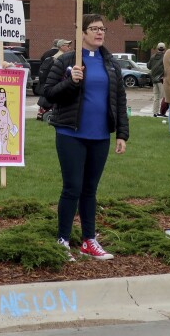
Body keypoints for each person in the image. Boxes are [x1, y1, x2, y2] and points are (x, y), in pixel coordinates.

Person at [43, 14, 128, 262]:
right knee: (73, 188)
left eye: (102, 29)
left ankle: (89, 240)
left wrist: (122, 133)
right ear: (82, 33)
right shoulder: (67, 61)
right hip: (71, 134)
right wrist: (70, 81)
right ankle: (62, 240)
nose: (99, 33)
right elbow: (47, 94)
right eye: (94, 28)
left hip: (99, 136)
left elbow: (119, 100)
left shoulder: (110, 63)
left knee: (90, 190)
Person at [36, 39, 72, 120]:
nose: (70, 48)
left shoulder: (51, 57)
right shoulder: (61, 58)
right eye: (68, 46)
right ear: (62, 47)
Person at [0, 87, 19, 154]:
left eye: (3, 97)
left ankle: (5, 150)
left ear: (5, 98)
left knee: (5, 140)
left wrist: (11, 127)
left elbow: (9, 119)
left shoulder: (6, 110)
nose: (1, 99)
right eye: (0, 97)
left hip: (5, 130)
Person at [148, 42, 167, 117]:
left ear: (157, 48)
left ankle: (155, 113)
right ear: (164, 49)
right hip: (162, 79)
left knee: (156, 97)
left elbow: (149, 66)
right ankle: (162, 112)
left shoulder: (153, 57)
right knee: (164, 97)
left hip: (154, 79)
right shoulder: (165, 57)